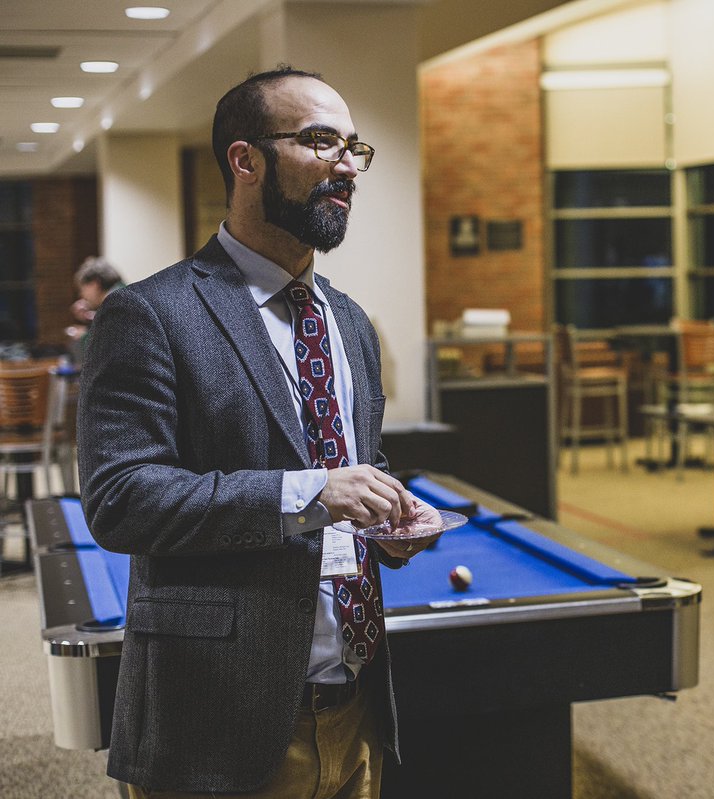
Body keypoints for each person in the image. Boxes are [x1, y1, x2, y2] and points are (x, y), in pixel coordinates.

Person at [76, 66, 440, 798]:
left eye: (353, 148)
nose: (347, 165)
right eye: (320, 141)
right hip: (219, 719)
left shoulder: (348, 320)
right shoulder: (150, 314)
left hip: (357, 701)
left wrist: (388, 520)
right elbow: (121, 498)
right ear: (245, 160)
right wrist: (313, 493)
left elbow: (355, 467)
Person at [65, 256, 124, 358]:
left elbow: (105, 346)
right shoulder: (121, 294)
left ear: (94, 284)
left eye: (82, 289)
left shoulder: (115, 302)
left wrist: (83, 336)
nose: (82, 295)